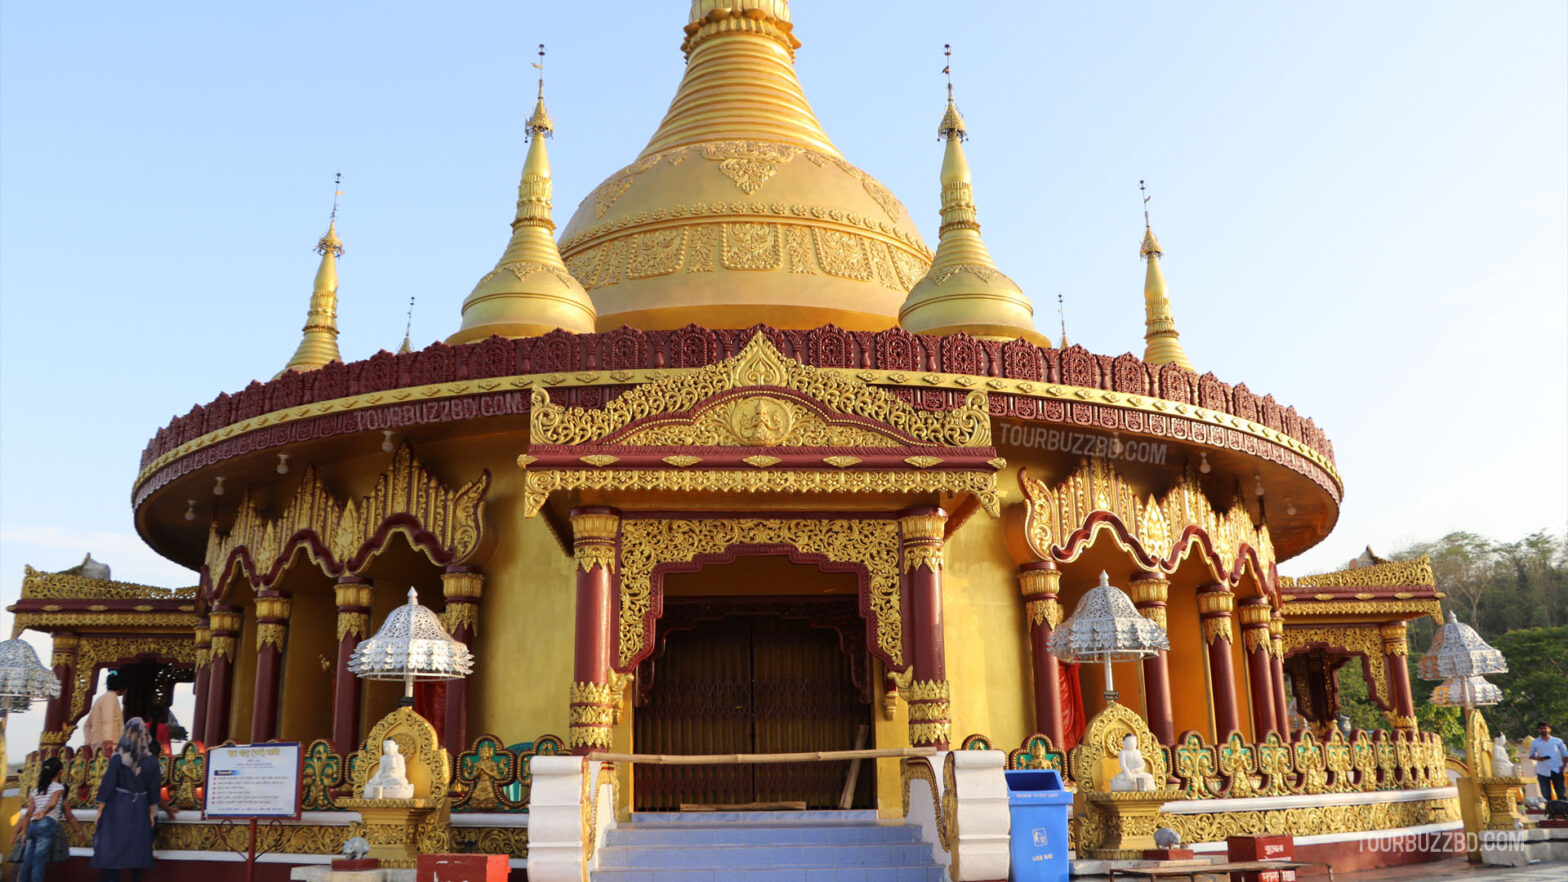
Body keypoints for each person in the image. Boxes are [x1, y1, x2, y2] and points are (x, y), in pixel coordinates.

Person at [91, 718, 161, 882]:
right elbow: (154, 789)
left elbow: (108, 783)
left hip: (118, 806)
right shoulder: (152, 761)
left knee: (112, 848)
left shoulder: (118, 758)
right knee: (138, 850)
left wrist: (100, 809)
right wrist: (151, 813)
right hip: (140, 809)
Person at [11, 757, 84, 882]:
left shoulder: (36, 791)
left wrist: (22, 833)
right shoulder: (58, 788)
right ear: (60, 772)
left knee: (27, 862)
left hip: (32, 826)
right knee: (38, 862)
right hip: (46, 824)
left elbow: (28, 814)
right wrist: (79, 831)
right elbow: (56, 806)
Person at [83, 672, 125, 752]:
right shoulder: (110, 698)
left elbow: (87, 725)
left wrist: (88, 742)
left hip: (96, 744)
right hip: (108, 744)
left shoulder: (100, 699)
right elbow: (108, 719)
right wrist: (108, 740)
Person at [1527, 720, 1567, 802]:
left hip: (1556, 769)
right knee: (1546, 794)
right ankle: (1550, 812)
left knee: (1561, 793)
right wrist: (1538, 758)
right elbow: (1531, 755)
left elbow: (1565, 754)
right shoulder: (1535, 742)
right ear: (1539, 730)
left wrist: (1563, 766)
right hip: (1543, 770)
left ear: (1549, 729)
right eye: (1541, 729)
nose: (1543, 730)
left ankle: (1563, 812)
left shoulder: (1557, 741)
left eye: (1545, 728)